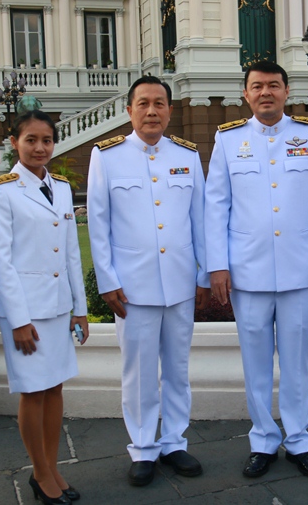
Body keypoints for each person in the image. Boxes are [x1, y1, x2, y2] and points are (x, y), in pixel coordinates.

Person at [205, 60, 308, 479]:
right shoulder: (228, 139)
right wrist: (218, 266)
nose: (266, 92)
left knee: (297, 361)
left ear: (286, 91)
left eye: (274, 86)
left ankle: (299, 440)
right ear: (245, 94)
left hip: (299, 270)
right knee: (256, 362)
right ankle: (263, 439)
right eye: (257, 86)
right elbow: (216, 206)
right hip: (248, 272)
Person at [87, 75, 209, 487]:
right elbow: (98, 225)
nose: (152, 111)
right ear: (129, 110)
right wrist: (107, 280)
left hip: (179, 283)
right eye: (143, 103)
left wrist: (203, 274)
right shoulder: (107, 156)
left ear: (170, 110)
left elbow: (200, 221)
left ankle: (174, 442)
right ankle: (142, 447)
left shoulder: (187, 156)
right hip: (132, 286)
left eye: (159, 103)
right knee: (138, 371)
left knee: (177, 368)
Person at [0, 110, 88, 504]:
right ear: (14, 141)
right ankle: (40, 473)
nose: (39, 148)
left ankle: (52, 466)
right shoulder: (0, 189)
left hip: (59, 306)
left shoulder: (60, 187)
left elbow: (72, 255)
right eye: (30, 140)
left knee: (55, 387)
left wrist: (79, 308)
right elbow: (1, 260)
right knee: (33, 392)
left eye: (46, 140)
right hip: (26, 310)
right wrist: (19, 320)